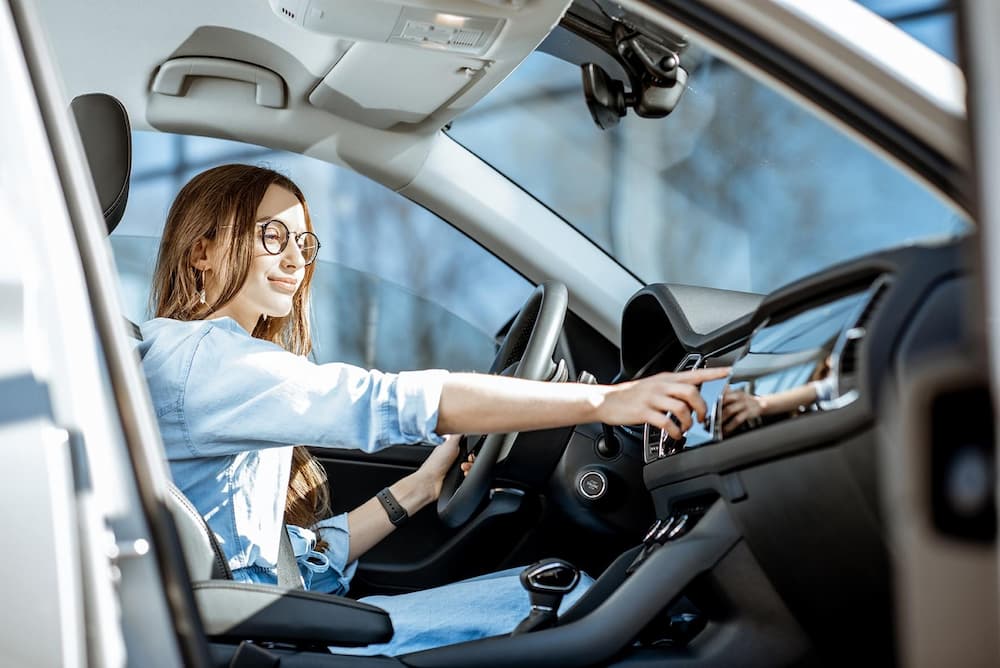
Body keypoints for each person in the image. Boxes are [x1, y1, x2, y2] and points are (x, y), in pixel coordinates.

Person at [138, 164, 728, 656]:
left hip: (274, 628)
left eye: (303, 241)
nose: (296, 258)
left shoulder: (210, 364)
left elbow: (292, 562)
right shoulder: (207, 358)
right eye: (273, 236)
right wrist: (606, 399)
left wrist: (420, 489)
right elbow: (390, 401)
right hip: (268, 642)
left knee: (558, 594)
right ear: (203, 252)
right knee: (575, 602)